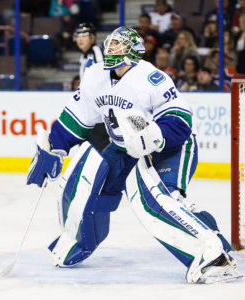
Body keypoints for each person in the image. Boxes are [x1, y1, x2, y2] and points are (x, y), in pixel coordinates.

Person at [27, 26, 241, 284]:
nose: (111, 48)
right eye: (111, 43)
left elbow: (181, 120)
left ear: (134, 50)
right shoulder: (95, 76)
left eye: (119, 44)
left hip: (170, 147)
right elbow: (75, 120)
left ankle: (213, 255)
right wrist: (54, 148)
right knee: (89, 187)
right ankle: (76, 240)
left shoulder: (150, 77)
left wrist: (156, 135)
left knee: (158, 201)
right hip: (124, 147)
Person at [73, 22, 109, 151]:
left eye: (85, 35)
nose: (80, 39)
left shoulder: (96, 52)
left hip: (97, 111)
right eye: (78, 35)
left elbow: (103, 76)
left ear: (93, 37)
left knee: (96, 148)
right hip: (90, 110)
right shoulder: (85, 55)